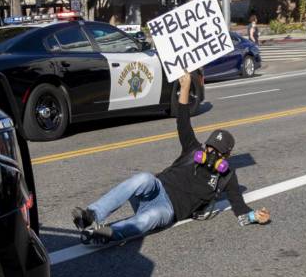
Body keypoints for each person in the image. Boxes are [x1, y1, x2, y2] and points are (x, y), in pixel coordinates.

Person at [72, 71, 270, 244]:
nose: (211, 153)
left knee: (150, 218)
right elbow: (183, 119)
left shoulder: (226, 176)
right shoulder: (192, 149)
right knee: (143, 178)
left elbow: (240, 210)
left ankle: (104, 234)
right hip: (157, 189)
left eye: (217, 152)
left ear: (225, 156)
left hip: (169, 209)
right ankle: (92, 215)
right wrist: (185, 87)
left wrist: (255, 216)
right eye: (210, 147)